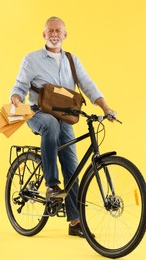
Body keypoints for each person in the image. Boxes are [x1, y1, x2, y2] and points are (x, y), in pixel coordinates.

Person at [9, 16, 117, 238]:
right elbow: (19, 87)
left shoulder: (72, 60)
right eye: (50, 31)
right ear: (44, 34)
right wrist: (16, 100)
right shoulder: (31, 60)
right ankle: (51, 185)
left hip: (66, 117)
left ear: (65, 35)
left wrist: (106, 108)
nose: (54, 34)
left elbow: (88, 85)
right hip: (38, 114)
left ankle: (75, 222)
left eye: (58, 30)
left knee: (72, 166)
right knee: (49, 125)